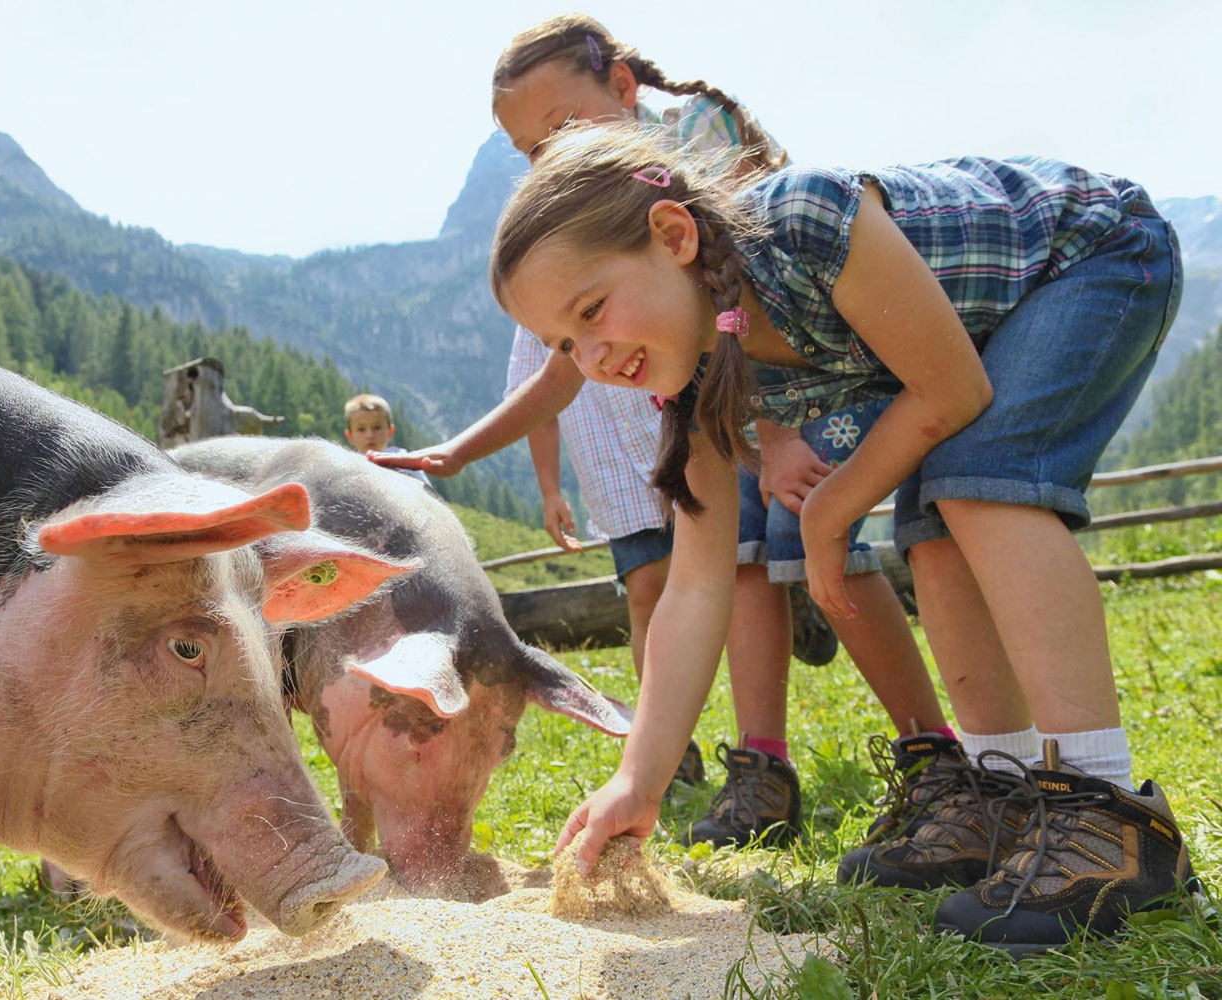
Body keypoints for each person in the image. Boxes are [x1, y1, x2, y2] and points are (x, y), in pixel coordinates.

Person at [491, 121, 1192, 954]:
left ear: (674, 236)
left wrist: (827, 514)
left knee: (981, 483)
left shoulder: (804, 225)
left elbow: (952, 387)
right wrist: (638, 780)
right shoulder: (700, 383)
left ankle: (1107, 817)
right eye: (566, 344)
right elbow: (696, 584)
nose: (594, 354)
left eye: (593, 309)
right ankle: (1004, 799)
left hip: (1092, 253)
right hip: (980, 337)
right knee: (933, 531)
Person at [379, 13, 956, 848]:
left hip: (785, 393)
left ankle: (928, 744)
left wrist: (779, 426)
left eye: (564, 128)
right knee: (739, 561)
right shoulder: (572, 242)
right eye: (531, 150)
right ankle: (763, 763)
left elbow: (755, 278)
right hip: (702, 411)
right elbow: (557, 374)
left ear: (621, 86)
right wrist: (461, 451)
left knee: (812, 537)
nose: (551, 157)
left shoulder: (697, 144)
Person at [344, 393, 428, 484]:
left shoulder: (405, 464)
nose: (370, 435)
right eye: (361, 429)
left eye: (377, 428)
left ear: (390, 431)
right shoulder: (346, 469)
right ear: (349, 436)